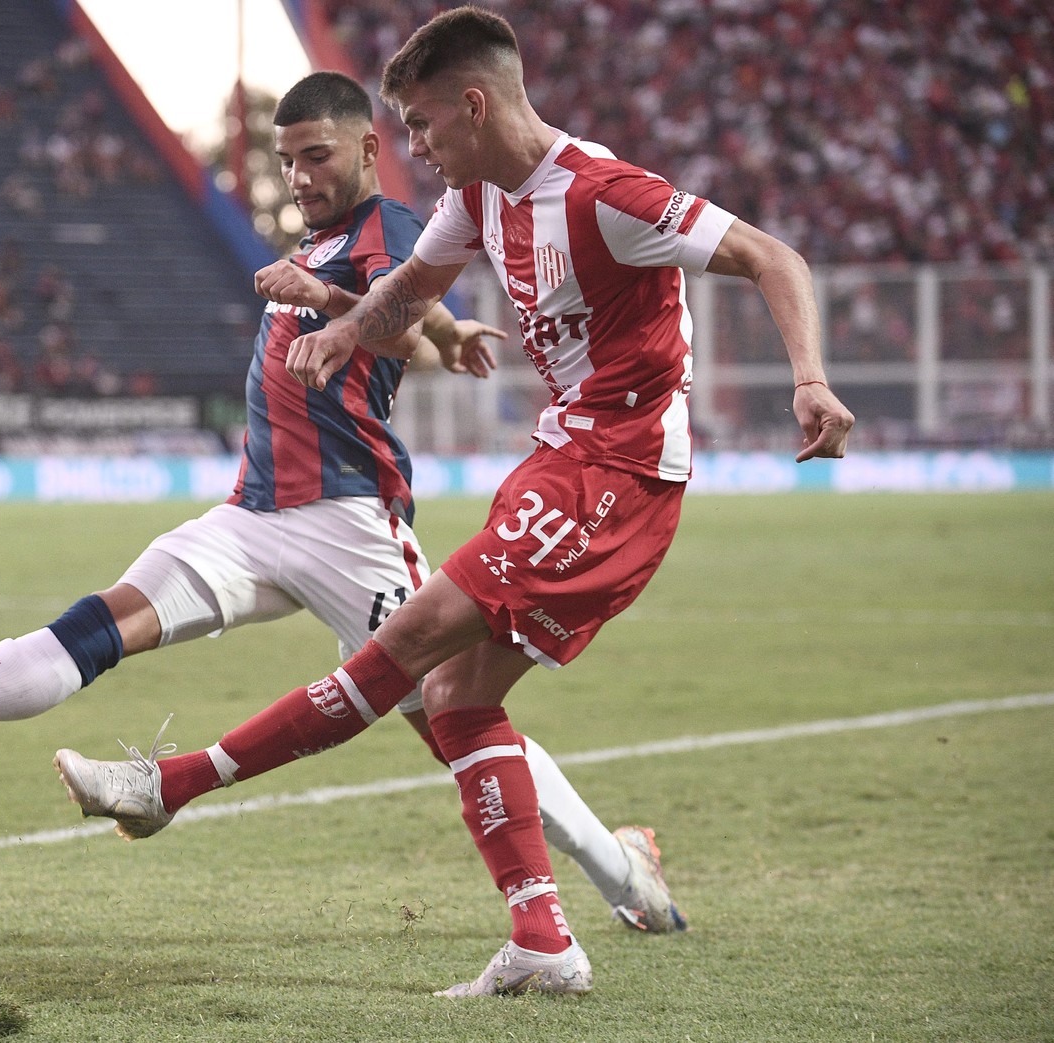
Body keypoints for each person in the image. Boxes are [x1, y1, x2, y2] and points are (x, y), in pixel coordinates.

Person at [52, 9, 855, 999]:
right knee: (455, 696)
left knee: (408, 649)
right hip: (560, 460)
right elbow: (407, 290)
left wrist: (808, 378)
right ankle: (544, 941)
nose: (413, 148)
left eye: (422, 126)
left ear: (473, 104)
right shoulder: (479, 196)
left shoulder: (605, 196)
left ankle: (166, 785)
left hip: (618, 475)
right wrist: (345, 330)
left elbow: (776, 257)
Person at [0, 71, 685, 936]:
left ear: (369, 149)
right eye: (287, 159)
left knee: (455, 721)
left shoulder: (392, 223)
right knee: (101, 622)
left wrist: (364, 312)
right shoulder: (322, 236)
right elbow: (424, 319)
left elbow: (400, 322)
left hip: (349, 522)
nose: (300, 177)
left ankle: (621, 873)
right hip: (252, 511)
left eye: (318, 157)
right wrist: (451, 335)